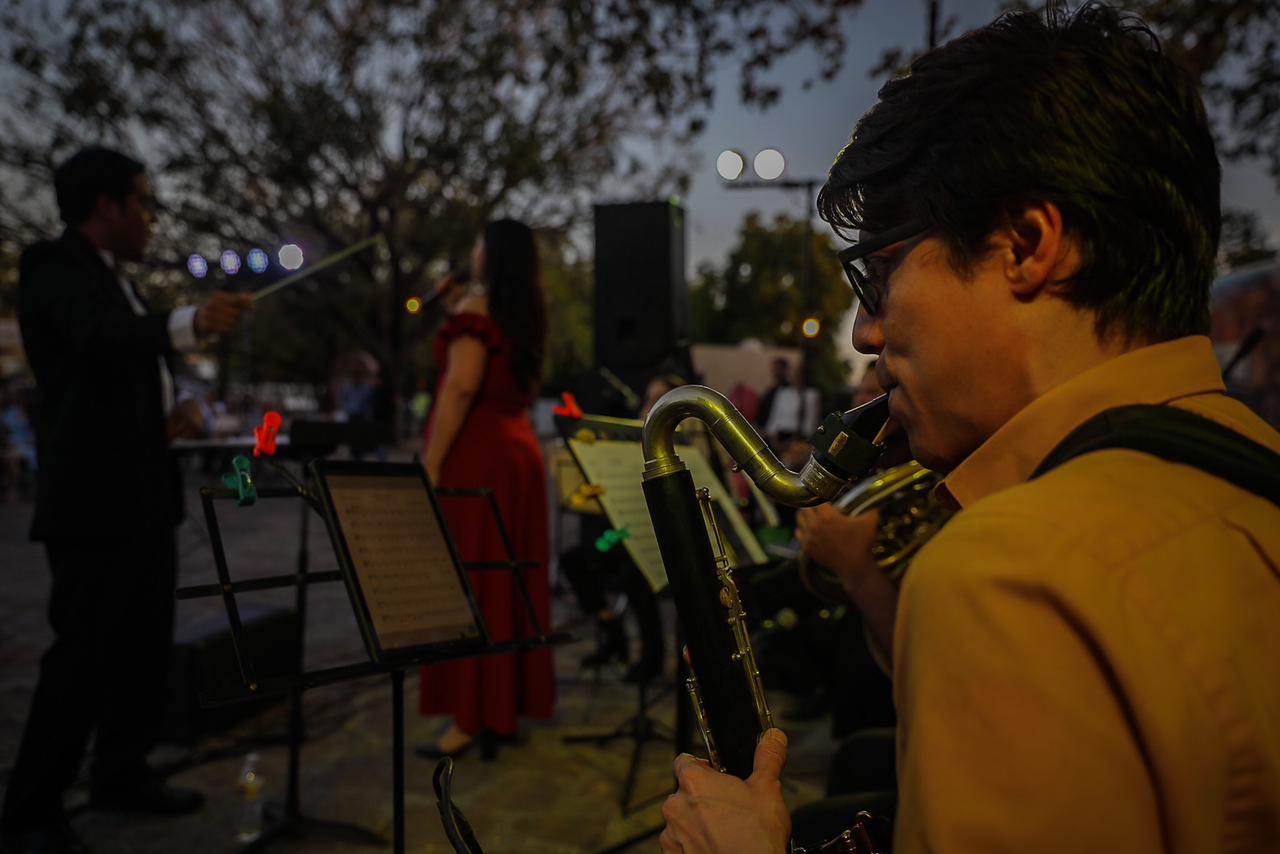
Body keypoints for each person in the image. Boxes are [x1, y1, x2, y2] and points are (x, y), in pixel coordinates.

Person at [660, 5, 1280, 853]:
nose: (865, 334)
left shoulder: (1007, 574)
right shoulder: (1252, 467)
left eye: (880, 275)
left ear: (1026, 244)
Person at [2, 146, 252, 854]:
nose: (151, 218)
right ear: (106, 205)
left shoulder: (125, 284)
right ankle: (31, 810)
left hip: (145, 495)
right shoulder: (52, 266)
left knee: (142, 646)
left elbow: (133, 371)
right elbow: (99, 340)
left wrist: (183, 408)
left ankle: (122, 771)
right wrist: (191, 321)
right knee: (83, 651)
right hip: (92, 500)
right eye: (143, 202)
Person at [416, 219, 555, 759]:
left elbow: (460, 387)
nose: (472, 250)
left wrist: (431, 463)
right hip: (518, 452)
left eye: (477, 242)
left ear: (489, 254)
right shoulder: (525, 313)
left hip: (479, 457)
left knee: (473, 581)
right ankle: (502, 706)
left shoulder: (478, 311)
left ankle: (471, 717)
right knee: (506, 581)